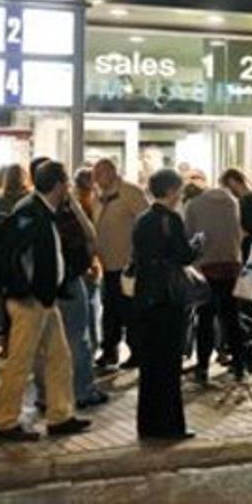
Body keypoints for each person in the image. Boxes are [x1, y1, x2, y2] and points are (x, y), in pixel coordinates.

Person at [0, 161, 91, 442]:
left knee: (60, 356)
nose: (69, 189)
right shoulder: (30, 211)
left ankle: (60, 415)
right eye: (67, 185)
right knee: (20, 361)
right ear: (59, 186)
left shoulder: (42, 210)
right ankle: (5, 422)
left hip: (45, 299)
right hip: (31, 300)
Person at [132, 169, 197, 440]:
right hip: (168, 299)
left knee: (150, 365)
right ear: (171, 191)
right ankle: (171, 426)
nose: (180, 196)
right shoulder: (171, 219)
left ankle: (147, 425)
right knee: (170, 365)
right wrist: (196, 247)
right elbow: (183, 256)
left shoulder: (142, 219)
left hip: (145, 296)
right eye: (179, 191)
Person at [32, 176, 106, 411]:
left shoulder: (27, 208)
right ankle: (82, 391)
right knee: (77, 336)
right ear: (59, 185)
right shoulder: (63, 209)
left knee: (44, 342)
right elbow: (90, 234)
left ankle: (45, 394)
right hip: (68, 279)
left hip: (41, 285)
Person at [184, 169, 244, 384]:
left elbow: (189, 238)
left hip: (205, 268)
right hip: (231, 266)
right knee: (231, 317)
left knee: (205, 319)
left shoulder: (193, 206)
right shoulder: (232, 202)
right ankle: (239, 365)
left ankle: (202, 367)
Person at [92, 158, 150, 370]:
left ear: (112, 173)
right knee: (110, 310)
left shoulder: (130, 193)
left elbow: (145, 221)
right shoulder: (99, 196)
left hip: (127, 264)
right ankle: (109, 350)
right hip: (107, 264)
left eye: (99, 174)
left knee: (130, 312)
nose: (95, 178)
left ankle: (137, 352)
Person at [222, 168, 252, 374]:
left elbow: (246, 230)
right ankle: (249, 356)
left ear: (233, 182)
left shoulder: (247, 202)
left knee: (245, 307)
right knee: (246, 307)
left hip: (250, 257)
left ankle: (251, 357)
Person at [0, 164, 31, 360]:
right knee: (25, 304)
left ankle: (7, 345)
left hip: (5, 258)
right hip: (24, 259)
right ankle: (23, 345)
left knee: (6, 305)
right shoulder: (29, 199)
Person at [73, 167, 103, 354]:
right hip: (93, 259)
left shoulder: (76, 204)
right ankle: (93, 341)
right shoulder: (96, 202)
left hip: (85, 259)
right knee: (92, 303)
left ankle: (90, 342)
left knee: (86, 303)